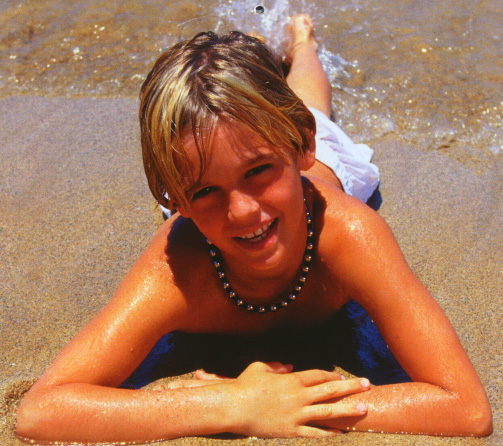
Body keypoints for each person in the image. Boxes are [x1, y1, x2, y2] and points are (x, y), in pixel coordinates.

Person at [16, 14, 491, 443]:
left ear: (295, 149)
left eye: (259, 172)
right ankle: (253, 46)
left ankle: (301, 41)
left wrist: (301, 407)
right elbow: (41, 411)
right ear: (174, 200)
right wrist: (230, 405)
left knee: (312, 105)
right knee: (248, 123)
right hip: (241, 150)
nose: (242, 211)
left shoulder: (348, 233)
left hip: (319, 167)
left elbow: (466, 407)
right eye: (204, 193)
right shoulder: (177, 272)